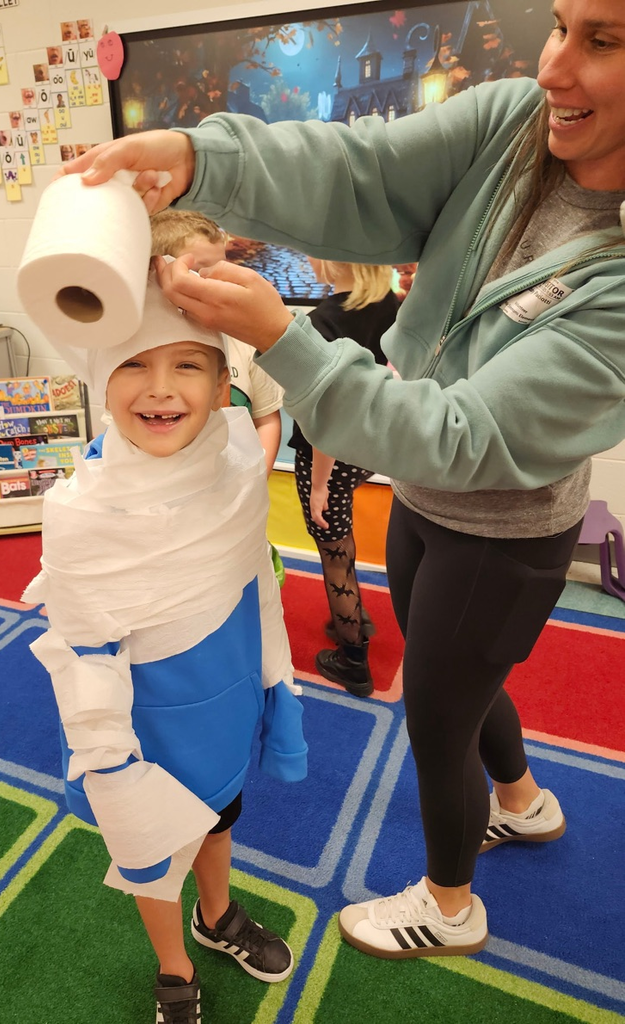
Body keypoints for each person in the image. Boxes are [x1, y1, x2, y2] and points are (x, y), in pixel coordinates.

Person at [60, 0, 625, 959]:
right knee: (463, 673)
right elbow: (358, 172)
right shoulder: (512, 124)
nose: (553, 68)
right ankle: (523, 802)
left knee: (436, 712)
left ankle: (451, 907)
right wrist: (202, 160)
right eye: (559, 25)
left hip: (502, 531)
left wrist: (285, 342)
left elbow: (459, 436)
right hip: (421, 503)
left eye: (601, 41)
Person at [23, 269, 308, 1022]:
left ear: (223, 385)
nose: (161, 389)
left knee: (218, 816)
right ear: (97, 379)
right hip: (142, 721)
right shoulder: (82, 511)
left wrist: (274, 679)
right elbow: (85, 648)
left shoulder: (239, 461)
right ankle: (174, 968)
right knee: (153, 847)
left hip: (226, 688)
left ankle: (216, 919)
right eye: (133, 365)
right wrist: (110, 765)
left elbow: (255, 578)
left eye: (187, 364)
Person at [290, 259, 399, 697]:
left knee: (333, 553)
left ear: (331, 259)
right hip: (365, 448)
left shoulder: (322, 322)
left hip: (329, 458)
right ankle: (352, 617)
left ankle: (353, 660)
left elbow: (324, 417)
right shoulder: (388, 303)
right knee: (343, 542)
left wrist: (318, 484)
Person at [150, 209, 283, 475]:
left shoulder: (245, 341)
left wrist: (257, 477)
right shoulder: (143, 349)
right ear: (158, 273)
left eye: (222, 269)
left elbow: (267, 419)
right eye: (199, 271)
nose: (218, 282)